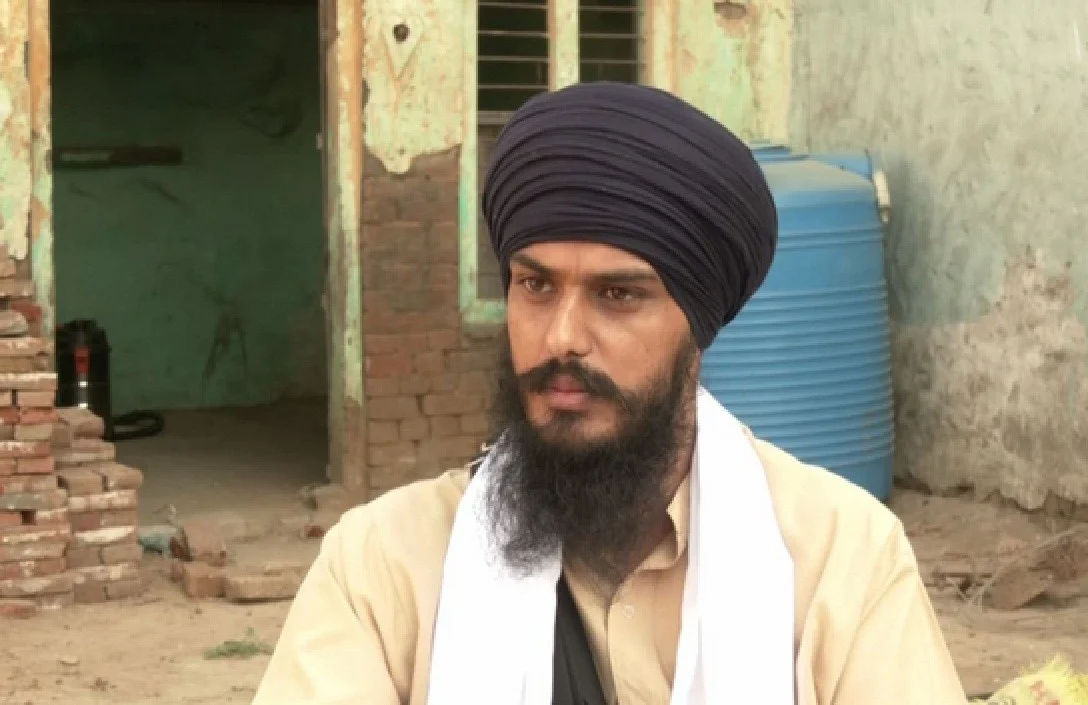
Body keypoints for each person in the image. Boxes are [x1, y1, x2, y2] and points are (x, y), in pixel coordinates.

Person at [252, 82, 966, 705]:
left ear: (698, 329)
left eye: (617, 294)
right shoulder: (384, 567)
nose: (562, 337)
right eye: (535, 285)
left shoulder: (842, 562)